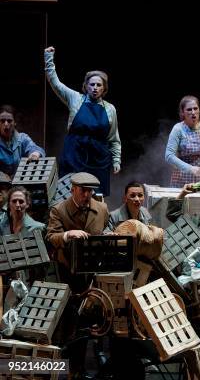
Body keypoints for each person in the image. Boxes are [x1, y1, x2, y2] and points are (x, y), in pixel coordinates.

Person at [45, 172, 111, 377]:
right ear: (73, 189)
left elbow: (107, 227)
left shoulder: (101, 209)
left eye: (90, 191)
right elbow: (50, 236)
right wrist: (67, 234)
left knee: (90, 324)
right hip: (67, 275)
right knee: (67, 326)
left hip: (92, 277)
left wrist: (110, 234)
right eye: (83, 190)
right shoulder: (59, 209)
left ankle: (85, 368)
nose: (87, 194)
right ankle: (65, 369)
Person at [44, 47, 121, 197]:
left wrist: (116, 160)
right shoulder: (76, 99)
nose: (95, 88)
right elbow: (55, 83)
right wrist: (49, 58)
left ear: (104, 88)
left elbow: (114, 138)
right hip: (74, 154)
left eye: (99, 85)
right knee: (70, 194)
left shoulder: (110, 109)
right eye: (92, 84)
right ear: (85, 86)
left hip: (98, 158)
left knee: (95, 198)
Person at [165, 95, 200, 188]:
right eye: (189, 110)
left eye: (195, 108)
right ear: (183, 113)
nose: (193, 112)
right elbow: (169, 156)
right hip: (184, 179)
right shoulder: (178, 129)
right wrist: (190, 168)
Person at [0, 105, 45, 178]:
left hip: (20, 184)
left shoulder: (22, 138)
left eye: (9, 121)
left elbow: (34, 148)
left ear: (14, 123)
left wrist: (35, 154)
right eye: (2, 121)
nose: (6, 124)